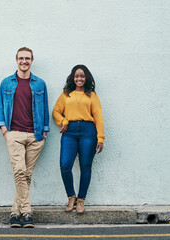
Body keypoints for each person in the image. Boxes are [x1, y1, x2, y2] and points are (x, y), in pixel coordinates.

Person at [0, 47, 49, 228]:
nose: (24, 61)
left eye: (27, 58)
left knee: (26, 174)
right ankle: (27, 212)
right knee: (19, 171)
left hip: (36, 135)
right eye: (21, 58)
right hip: (15, 133)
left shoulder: (40, 84)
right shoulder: (6, 83)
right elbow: (0, 109)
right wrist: (5, 130)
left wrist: (44, 131)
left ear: (32, 60)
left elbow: (44, 109)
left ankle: (14, 212)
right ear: (16, 60)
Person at [52, 64, 104, 214]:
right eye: (76, 76)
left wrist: (100, 137)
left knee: (85, 166)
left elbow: (99, 118)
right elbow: (56, 111)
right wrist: (63, 121)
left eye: (82, 76)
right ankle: (71, 196)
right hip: (70, 131)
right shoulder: (66, 94)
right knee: (65, 165)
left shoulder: (92, 96)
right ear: (73, 78)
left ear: (86, 78)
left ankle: (81, 200)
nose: (79, 78)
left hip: (88, 131)